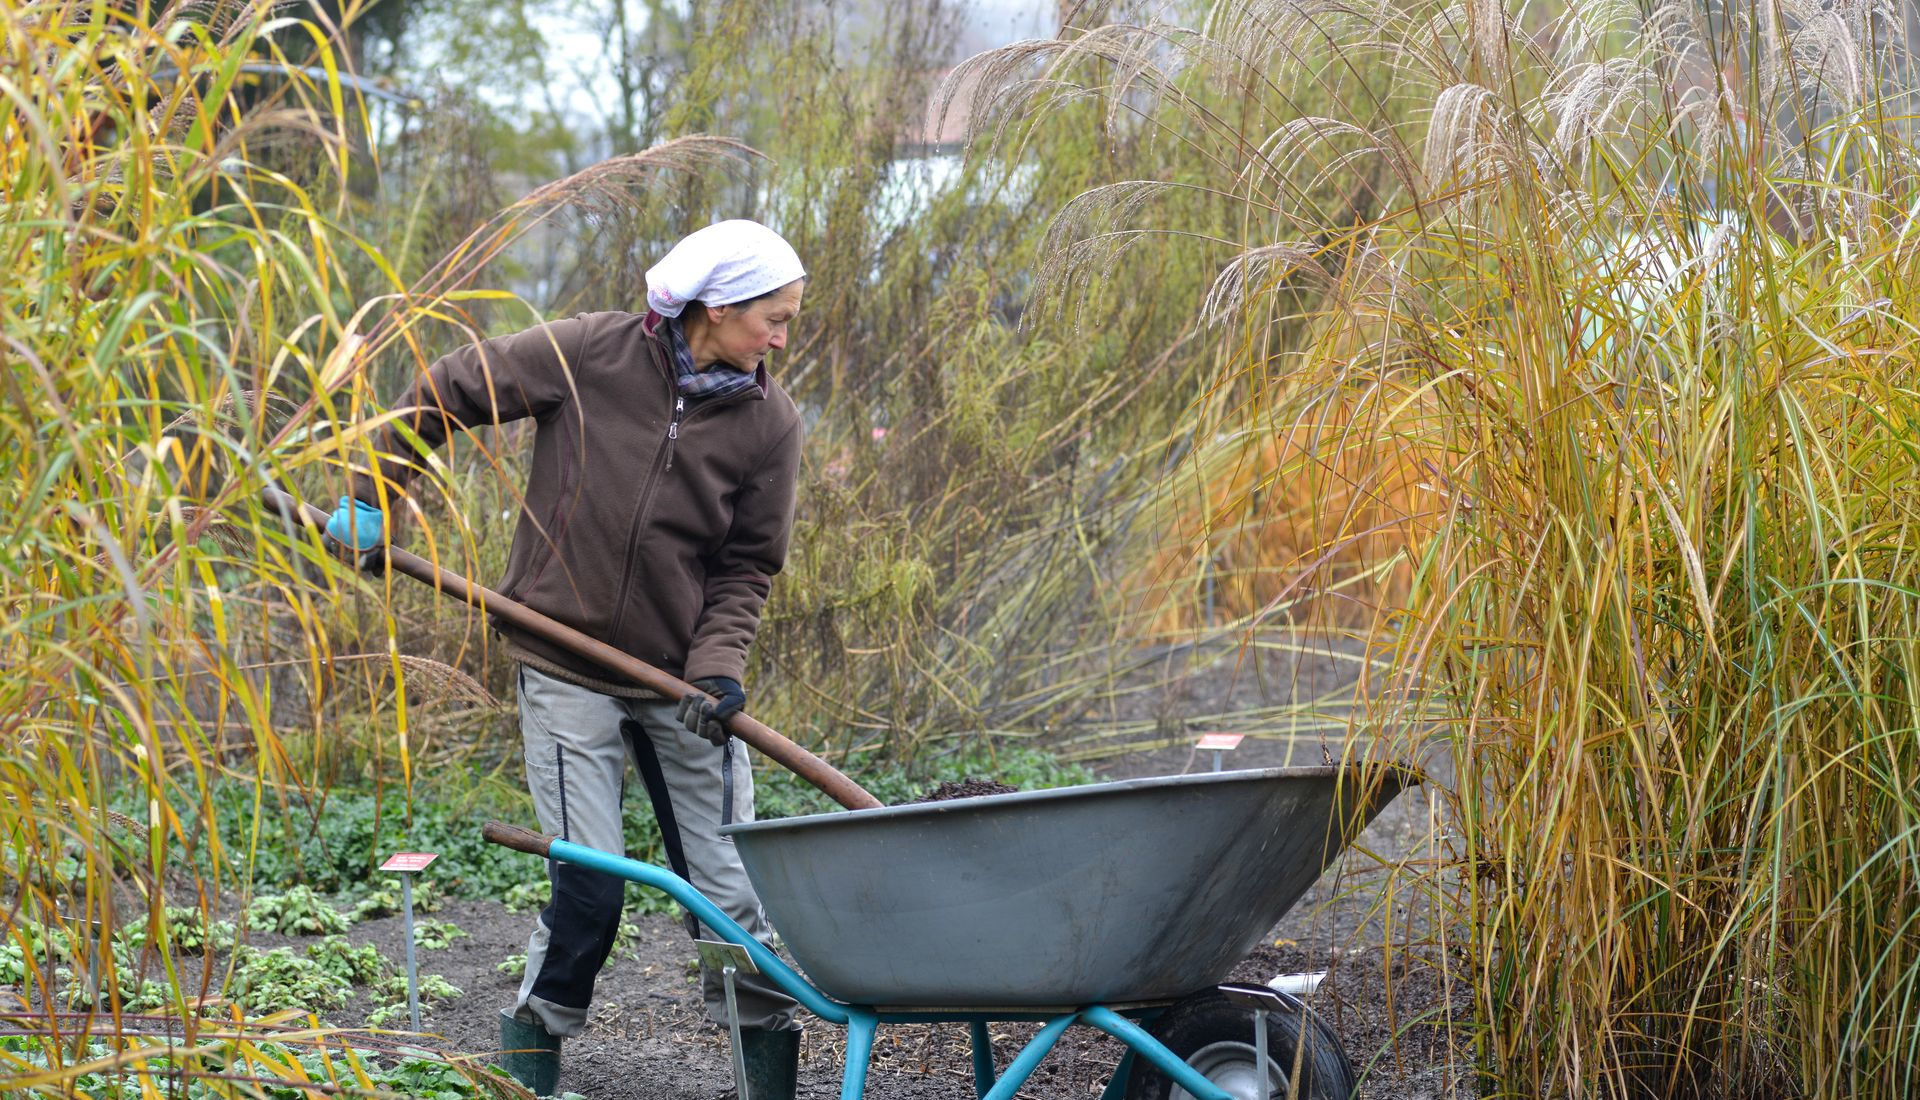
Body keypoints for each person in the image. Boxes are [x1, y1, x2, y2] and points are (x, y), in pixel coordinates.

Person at [324, 219, 809, 1099]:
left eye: (787, 321)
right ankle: (533, 1059)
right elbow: (449, 388)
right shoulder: (590, 353)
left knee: (733, 896)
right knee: (591, 889)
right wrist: (374, 492)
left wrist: (716, 666)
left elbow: (746, 566)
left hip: (681, 684)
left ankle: (763, 1068)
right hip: (564, 666)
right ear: (715, 305)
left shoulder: (769, 423)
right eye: (771, 319)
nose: (781, 340)